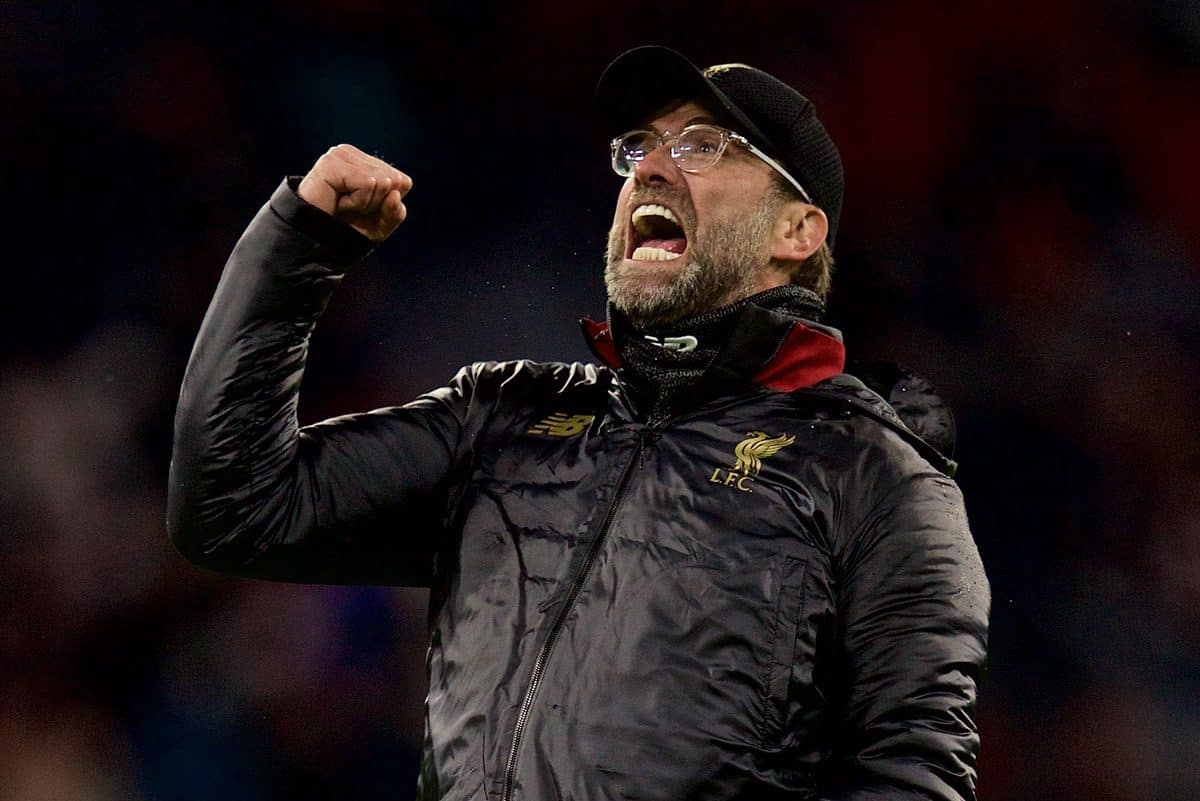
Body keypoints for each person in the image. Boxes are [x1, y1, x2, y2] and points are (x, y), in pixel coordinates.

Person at [168, 45, 990, 801]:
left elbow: (911, 777)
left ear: (797, 231)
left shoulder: (872, 471)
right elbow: (235, 502)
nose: (651, 170)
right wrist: (298, 250)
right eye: (637, 148)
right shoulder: (506, 419)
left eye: (703, 145)